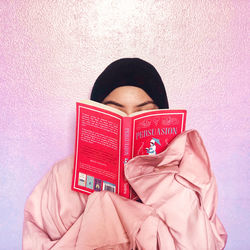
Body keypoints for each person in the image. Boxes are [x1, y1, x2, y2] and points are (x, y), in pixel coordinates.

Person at [23, 58, 227, 249]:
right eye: (115, 110)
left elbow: (204, 243)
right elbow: (37, 239)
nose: (129, 119)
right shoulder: (62, 175)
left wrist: (159, 179)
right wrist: (100, 210)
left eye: (143, 111)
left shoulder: (189, 175)